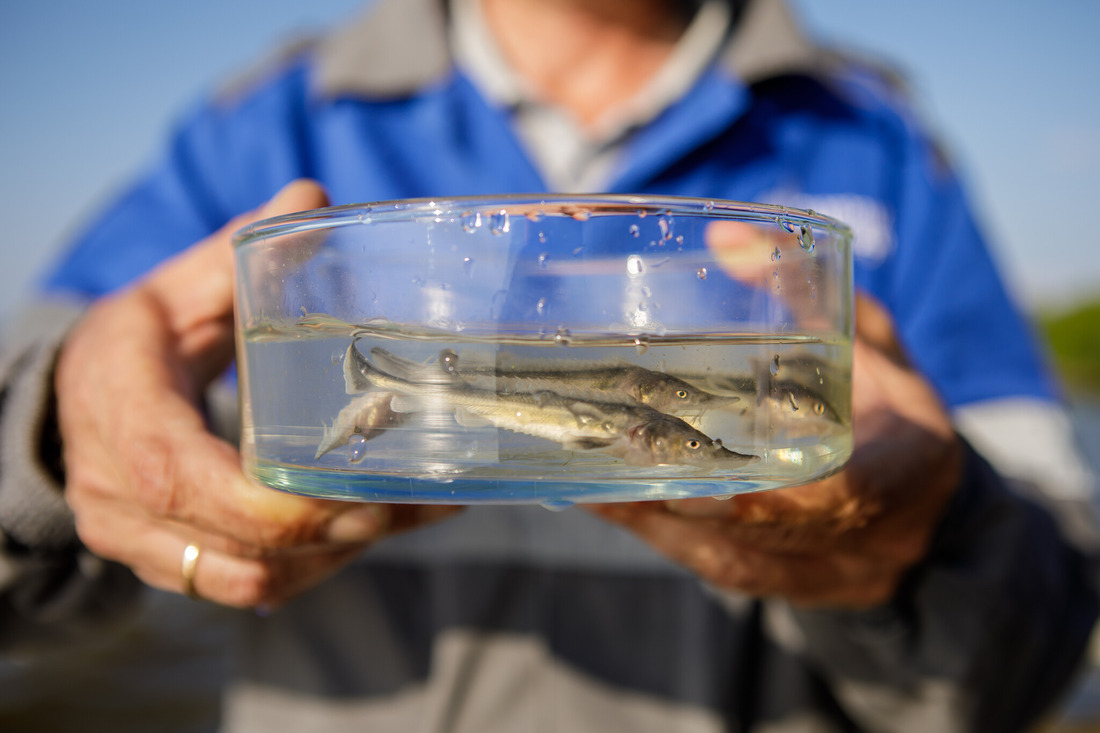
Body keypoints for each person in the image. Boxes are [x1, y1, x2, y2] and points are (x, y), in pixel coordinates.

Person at [2, 0, 1098, 730]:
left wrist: (931, 540)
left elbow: (1046, 635)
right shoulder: (268, 119)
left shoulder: (875, 131)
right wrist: (60, 428)